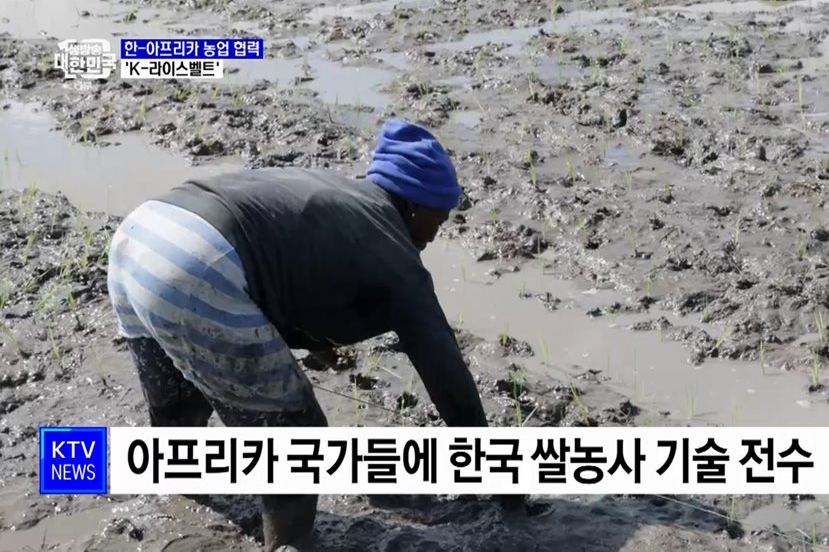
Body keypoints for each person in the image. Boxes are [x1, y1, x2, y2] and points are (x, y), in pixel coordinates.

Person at [106, 118, 523, 551]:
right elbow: (449, 378)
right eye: (440, 219)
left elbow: (291, 266)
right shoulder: (397, 256)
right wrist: (499, 476)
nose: (436, 235)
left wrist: (320, 345)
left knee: (179, 412)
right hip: (199, 263)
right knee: (298, 435)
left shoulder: (342, 197)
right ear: (417, 207)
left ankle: (179, 513)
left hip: (141, 236)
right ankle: (290, 543)